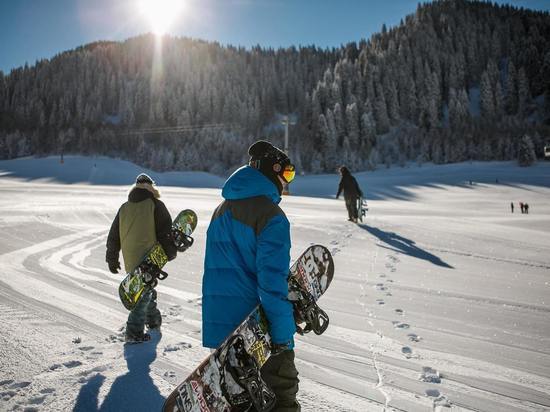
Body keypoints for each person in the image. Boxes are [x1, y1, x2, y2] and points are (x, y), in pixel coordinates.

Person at [202, 140, 299, 411]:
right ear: (272, 170)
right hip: (258, 333)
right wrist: (282, 337)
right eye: (287, 174)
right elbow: (271, 283)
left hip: (222, 332)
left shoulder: (220, 210)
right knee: (281, 400)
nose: (287, 182)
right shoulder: (272, 216)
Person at [106, 173, 177, 343]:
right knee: (143, 294)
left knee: (145, 289)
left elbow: (113, 235)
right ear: (152, 187)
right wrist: (170, 252)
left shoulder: (124, 207)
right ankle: (133, 332)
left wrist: (112, 258)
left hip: (130, 258)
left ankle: (153, 321)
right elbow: (165, 233)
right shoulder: (155, 205)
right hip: (149, 258)